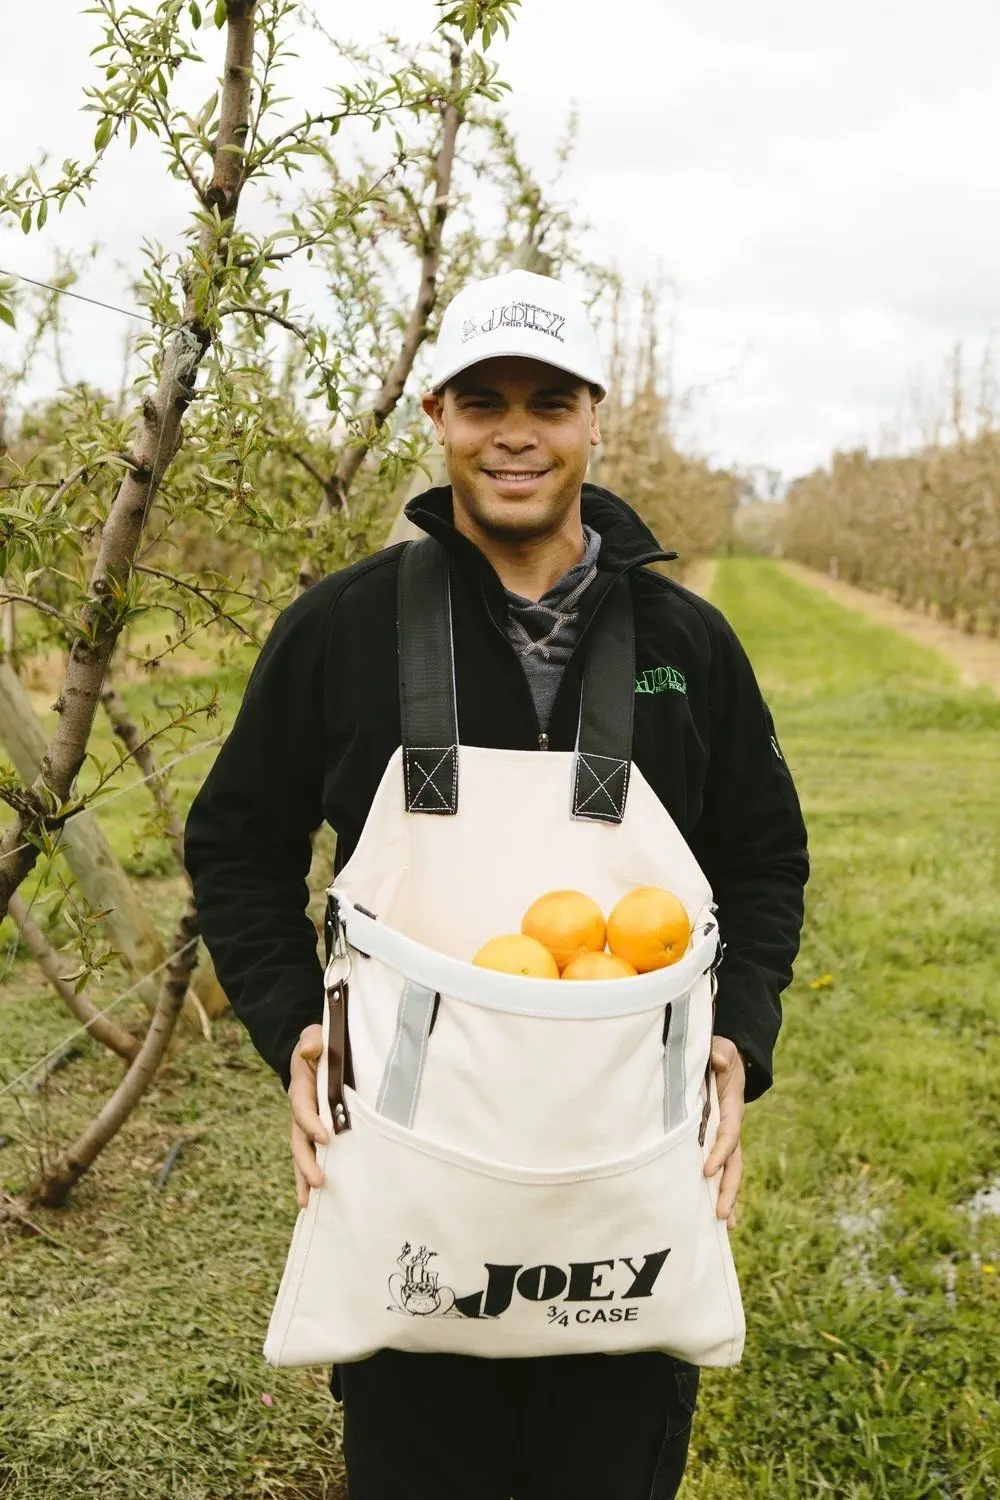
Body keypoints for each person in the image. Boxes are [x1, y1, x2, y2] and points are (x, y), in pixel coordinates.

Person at [184, 269, 809, 1498]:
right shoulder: (345, 628)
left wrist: (742, 1032)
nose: (514, 431)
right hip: (417, 1160)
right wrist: (295, 1025)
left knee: (609, 1451)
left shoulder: (686, 645)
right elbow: (236, 842)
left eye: (547, 400)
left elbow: (763, 856)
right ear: (437, 415)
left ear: (591, 416)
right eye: (483, 399)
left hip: (624, 1156)